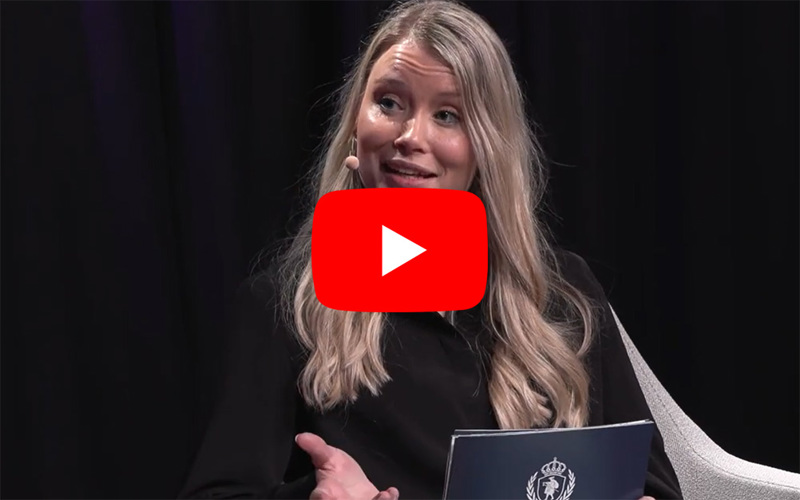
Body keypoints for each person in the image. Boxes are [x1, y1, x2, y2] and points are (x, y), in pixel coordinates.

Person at [178, 1, 683, 499]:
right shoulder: (283, 306)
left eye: (447, 115)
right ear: (355, 125)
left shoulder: (562, 292)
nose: (410, 137)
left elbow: (651, 483)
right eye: (389, 103)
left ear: (488, 147)